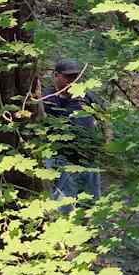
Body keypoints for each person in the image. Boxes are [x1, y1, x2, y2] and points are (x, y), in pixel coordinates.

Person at [43, 58, 102, 200]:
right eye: (68, 77)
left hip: (88, 158)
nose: (72, 81)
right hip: (61, 158)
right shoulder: (46, 98)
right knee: (64, 205)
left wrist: (102, 143)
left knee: (91, 203)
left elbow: (103, 118)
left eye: (75, 77)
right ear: (56, 75)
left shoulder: (86, 96)